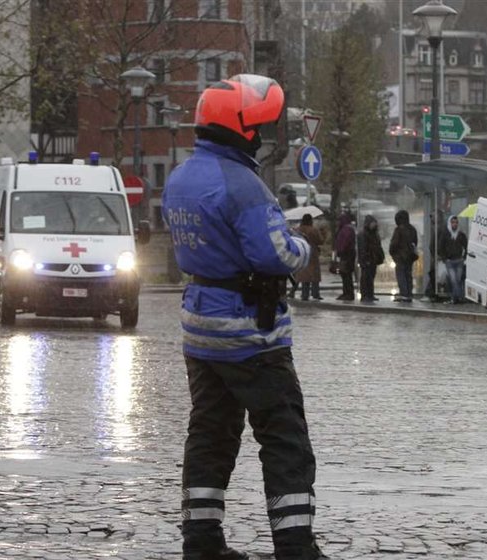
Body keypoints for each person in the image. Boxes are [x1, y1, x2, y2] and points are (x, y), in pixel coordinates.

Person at [161, 74, 326, 560]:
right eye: (259, 128)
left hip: (201, 332)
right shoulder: (245, 186)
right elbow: (275, 254)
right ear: (243, 131)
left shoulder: (179, 178)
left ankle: (202, 542)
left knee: (210, 434)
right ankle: (295, 547)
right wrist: (301, 245)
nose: (262, 136)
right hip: (252, 335)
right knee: (284, 438)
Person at [388, 210, 418, 302]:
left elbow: (394, 244)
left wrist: (393, 254)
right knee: (408, 275)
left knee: (401, 275)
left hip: (400, 257)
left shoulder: (399, 230)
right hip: (410, 256)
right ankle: (409, 293)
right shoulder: (412, 229)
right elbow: (415, 242)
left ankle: (404, 294)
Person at [294, 213, 324, 301]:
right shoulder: (313, 230)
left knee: (303, 274)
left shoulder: (298, 230)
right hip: (312, 253)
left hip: (302, 253)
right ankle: (315, 293)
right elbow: (320, 241)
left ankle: (304, 294)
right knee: (314, 274)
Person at [439, 215, 468, 304]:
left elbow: (466, 246)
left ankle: (455, 297)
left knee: (458, 280)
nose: (454, 224)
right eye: (453, 222)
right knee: (453, 279)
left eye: (456, 222)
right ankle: (456, 297)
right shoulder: (446, 234)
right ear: (449, 223)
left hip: (459, 261)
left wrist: (464, 257)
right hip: (450, 261)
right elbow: (441, 247)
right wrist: (445, 258)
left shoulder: (461, 235)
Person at [356, 214, 384, 302]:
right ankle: (365, 295)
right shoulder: (363, 234)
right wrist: (365, 259)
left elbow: (378, 246)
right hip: (367, 260)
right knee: (365, 278)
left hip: (373, 259)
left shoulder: (375, 234)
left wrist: (379, 257)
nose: (374, 225)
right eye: (372, 223)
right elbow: (362, 248)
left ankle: (370, 294)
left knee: (371, 277)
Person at [334, 212, 356, 301]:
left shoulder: (346, 229)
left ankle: (348, 293)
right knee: (345, 274)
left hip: (347, 255)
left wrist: (340, 250)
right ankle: (347, 293)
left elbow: (344, 242)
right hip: (347, 254)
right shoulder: (346, 229)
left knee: (346, 275)